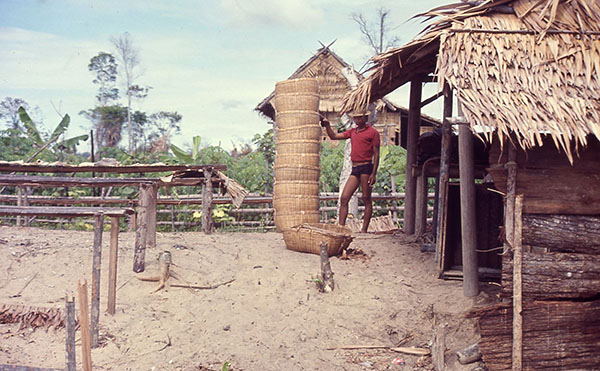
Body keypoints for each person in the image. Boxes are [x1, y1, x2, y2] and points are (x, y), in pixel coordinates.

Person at [321, 110, 380, 233]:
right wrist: (327, 125)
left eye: (360, 118)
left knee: (366, 198)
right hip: (355, 168)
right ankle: (341, 228)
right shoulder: (353, 132)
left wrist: (373, 173)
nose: (357, 120)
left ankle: (364, 230)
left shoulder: (373, 133)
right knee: (344, 198)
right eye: (355, 118)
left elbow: (376, 153)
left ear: (365, 118)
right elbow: (334, 136)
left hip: (366, 167)